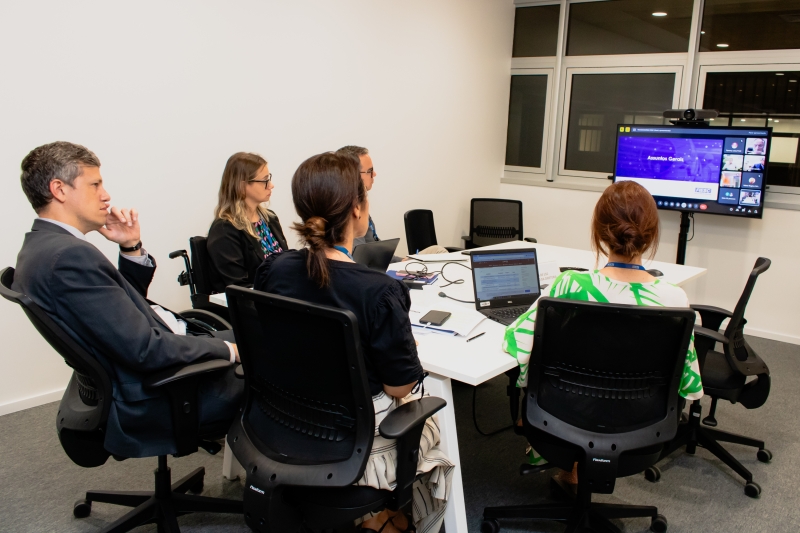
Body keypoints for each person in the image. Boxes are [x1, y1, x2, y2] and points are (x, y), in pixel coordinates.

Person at [254, 152, 453, 533]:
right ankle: (389, 517)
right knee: (429, 422)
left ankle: (374, 515)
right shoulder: (379, 291)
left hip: (281, 418)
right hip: (351, 437)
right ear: (358, 209)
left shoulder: (273, 270)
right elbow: (399, 385)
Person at [13, 141, 243, 458]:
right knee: (288, 364)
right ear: (59, 190)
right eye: (95, 185)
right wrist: (227, 350)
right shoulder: (68, 257)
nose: (106, 195)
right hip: (159, 389)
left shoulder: (43, 247)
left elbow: (121, 311)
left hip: (157, 359)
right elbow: (145, 350)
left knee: (269, 340)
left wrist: (130, 247)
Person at [503, 180, 703, 482]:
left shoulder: (569, 286)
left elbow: (516, 343)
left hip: (562, 418)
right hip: (641, 425)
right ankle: (574, 475)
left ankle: (571, 470)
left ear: (599, 232)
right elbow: (690, 385)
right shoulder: (675, 300)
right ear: (650, 236)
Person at [336, 145, 448, 258]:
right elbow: (361, 258)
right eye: (370, 171)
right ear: (353, 175)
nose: (374, 174)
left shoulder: (357, 204)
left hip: (383, 263)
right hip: (373, 270)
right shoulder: (349, 210)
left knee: (438, 250)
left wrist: (400, 261)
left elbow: (375, 249)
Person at [207, 152, 288, 294]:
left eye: (269, 179)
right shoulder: (225, 229)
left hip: (281, 295)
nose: (271, 185)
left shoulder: (270, 219)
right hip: (255, 303)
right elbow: (239, 285)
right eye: (264, 181)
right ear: (242, 185)